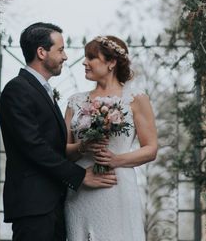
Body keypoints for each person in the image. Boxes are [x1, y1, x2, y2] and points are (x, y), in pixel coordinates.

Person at [0, 22, 118, 241]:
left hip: (53, 203)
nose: (65, 57)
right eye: (60, 50)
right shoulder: (17, 90)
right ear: (42, 52)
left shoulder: (41, 90)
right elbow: (34, 147)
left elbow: (53, 144)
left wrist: (83, 148)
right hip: (33, 207)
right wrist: (80, 176)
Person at [64, 35, 158, 241]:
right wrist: (83, 147)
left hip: (116, 186)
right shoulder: (75, 101)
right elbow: (63, 152)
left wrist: (116, 160)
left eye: (91, 57)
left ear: (111, 63)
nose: (84, 62)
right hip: (81, 188)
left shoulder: (135, 99)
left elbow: (151, 149)